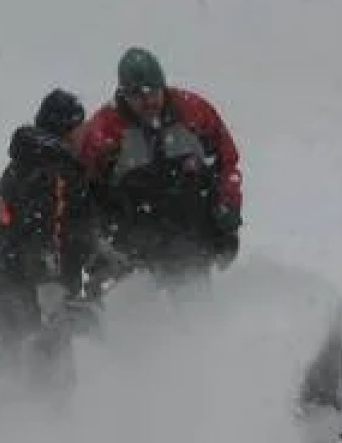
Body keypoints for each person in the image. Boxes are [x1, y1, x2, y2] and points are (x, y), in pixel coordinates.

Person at [77, 47, 243, 300]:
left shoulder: (196, 114)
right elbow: (82, 194)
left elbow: (227, 163)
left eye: (154, 91)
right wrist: (98, 249)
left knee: (198, 322)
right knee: (140, 328)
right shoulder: (102, 133)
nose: (149, 101)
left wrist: (228, 216)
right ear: (123, 94)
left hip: (189, 245)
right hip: (131, 254)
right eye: (138, 95)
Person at [0, 89, 98, 399]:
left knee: (14, 364)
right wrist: (50, 290)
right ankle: (36, 438)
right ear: (64, 128)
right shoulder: (52, 171)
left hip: (11, 283)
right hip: (31, 291)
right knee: (47, 379)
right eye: (79, 126)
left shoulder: (28, 163)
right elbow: (43, 232)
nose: (85, 132)